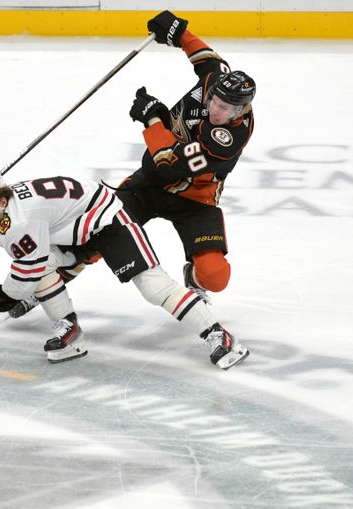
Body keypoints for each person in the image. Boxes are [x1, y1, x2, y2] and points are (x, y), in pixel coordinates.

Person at [0, 171, 249, 370]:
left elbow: (26, 266)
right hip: (69, 229)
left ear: (2, 200)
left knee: (153, 286)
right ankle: (69, 329)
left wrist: (4, 295)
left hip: (107, 220)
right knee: (41, 267)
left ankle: (219, 334)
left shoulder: (22, 218)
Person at [118, 10, 256, 303]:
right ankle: (47, 281)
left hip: (195, 198)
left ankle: (192, 278)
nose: (214, 110)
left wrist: (152, 118)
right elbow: (209, 60)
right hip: (149, 185)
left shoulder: (228, 139)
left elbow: (168, 164)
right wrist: (179, 33)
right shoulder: (215, 83)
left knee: (216, 277)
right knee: (99, 227)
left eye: (224, 109)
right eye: (213, 101)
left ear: (240, 112)